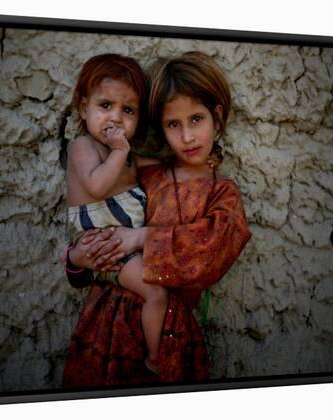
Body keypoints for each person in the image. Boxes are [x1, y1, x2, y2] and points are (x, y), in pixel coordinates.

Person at [63, 51, 252, 387]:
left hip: (167, 334)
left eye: (197, 119)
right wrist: (76, 259)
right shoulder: (142, 174)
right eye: (173, 124)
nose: (188, 137)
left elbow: (211, 251)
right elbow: (87, 259)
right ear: (160, 127)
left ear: (217, 116)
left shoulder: (221, 194)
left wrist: (140, 237)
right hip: (103, 329)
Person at [65, 53, 168, 374]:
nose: (116, 118)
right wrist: (121, 150)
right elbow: (95, 185)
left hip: (120, 247)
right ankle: (155, 358)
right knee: (156, 292)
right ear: (84, 109)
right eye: (105, 105)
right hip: (106, 248)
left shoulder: (127, 156)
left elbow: (160, 169)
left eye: (128, 110)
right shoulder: (84, 146)